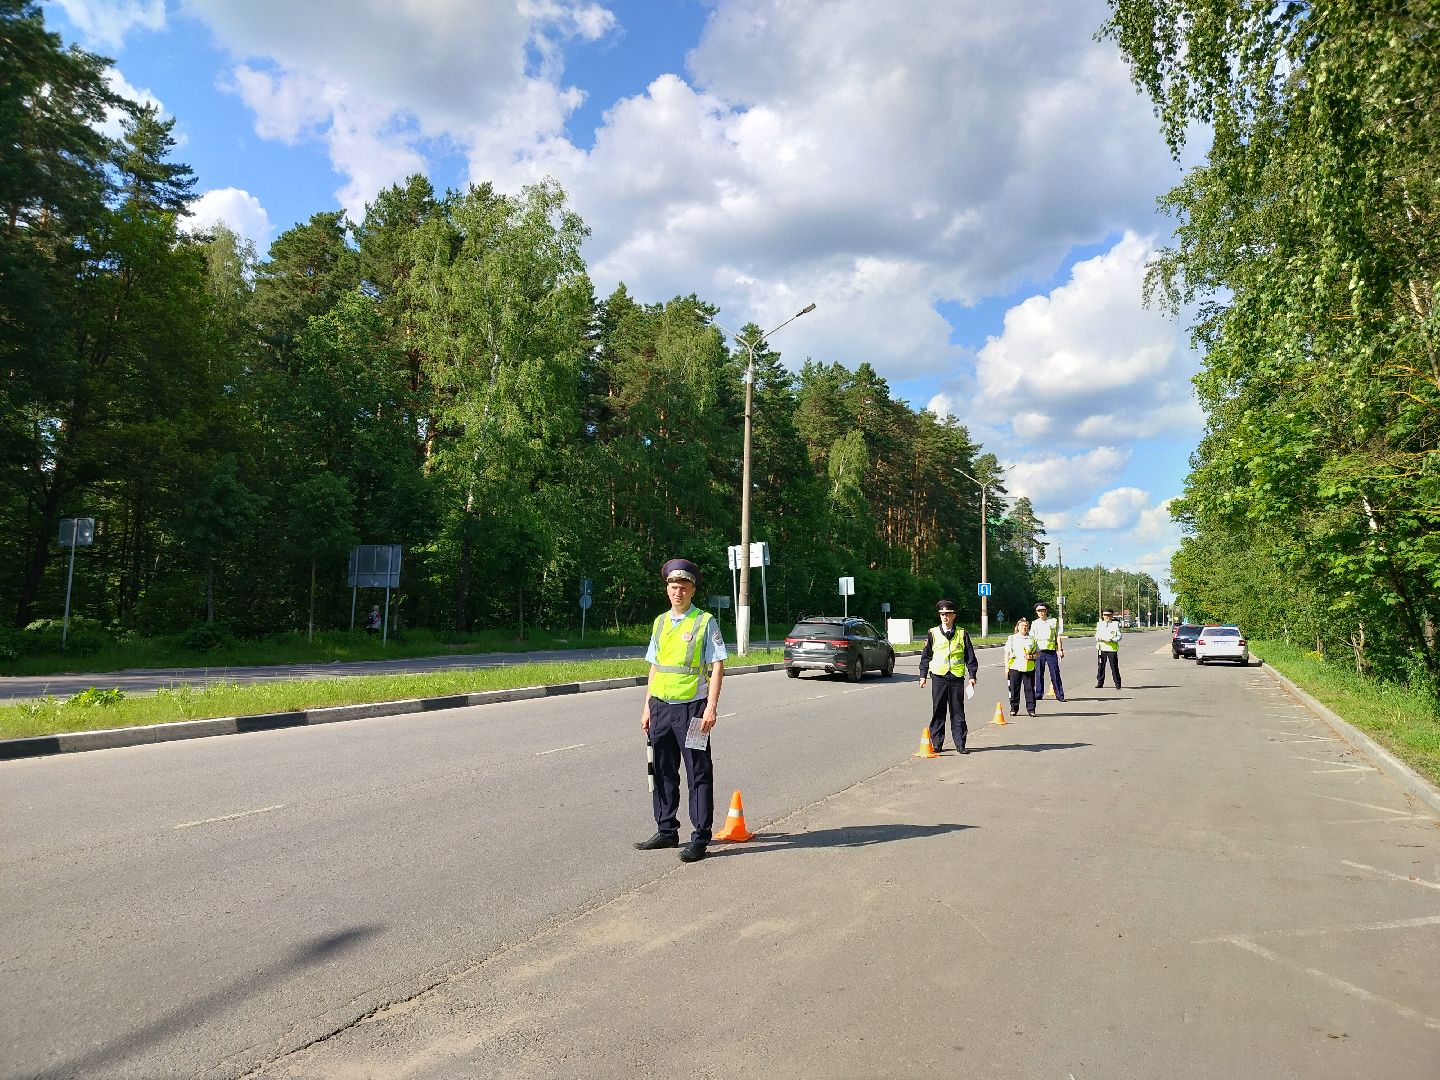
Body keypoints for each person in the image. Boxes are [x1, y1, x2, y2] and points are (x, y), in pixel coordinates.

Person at [635, 558, 727, 863]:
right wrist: (646, 705)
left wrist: (711, 708)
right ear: (667, 589)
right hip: (660, 707)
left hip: (692, 710)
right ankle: (666, 829)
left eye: (684, 587)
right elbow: (655, 666)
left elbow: (717, 667)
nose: (679, 591)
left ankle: (700, 836)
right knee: (662, 771)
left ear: (692, 590)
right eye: (674, 586)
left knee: (698, 772)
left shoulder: (704, 622)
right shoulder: (660, 622)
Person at [918, 599, 978, 754]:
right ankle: (937, 743)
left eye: (948, 614)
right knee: (938, 709)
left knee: (957, 711)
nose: (945, 616)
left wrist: (972, 674)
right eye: (942, 614)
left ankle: (960, 743)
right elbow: (926, 656)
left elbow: (969, 656)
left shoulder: (962, 633)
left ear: (954, 616)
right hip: (939, 676)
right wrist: (923, 675)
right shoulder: (933, 633)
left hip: (956, 676)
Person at [1004, 615, 1039, 717]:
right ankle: (1014, 708)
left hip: (1028, 668)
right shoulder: (1012, 638)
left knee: (1029, 689)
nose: (1024, 627)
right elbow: (1006, 653)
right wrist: (1006, 668)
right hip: (1014, 667)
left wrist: (1032, 656)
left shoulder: (1032, 639)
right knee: (1014, 689)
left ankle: (1031, 709)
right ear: (1018, 627)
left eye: (1026, 626)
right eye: (1022, 625)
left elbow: (1038, 653)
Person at [1031, 602, 1065, 702]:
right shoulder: (1035, 623)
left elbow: (1057, 636)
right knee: (1038, 673)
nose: (1041, 613)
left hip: (1051, 651)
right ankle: (1038, 694)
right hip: (1038, 651)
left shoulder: (1053, 621)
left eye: (1043, 610)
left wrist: (1060, 649)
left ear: (1046, 611)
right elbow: (1032, 638)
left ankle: (1059, 694)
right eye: (1038, 611)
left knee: (1055, 673)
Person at [1095, 607, 1123, 688]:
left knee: (1114, 667)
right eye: (1105, 615)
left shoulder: (1115, 624)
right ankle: (1100, 682)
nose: (1106, 617)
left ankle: (1117, 683)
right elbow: (1097, 636)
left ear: (1112, 616)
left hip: (1112, 649)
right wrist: (1102, 639)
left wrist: (1113, 640)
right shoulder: (1100, 624)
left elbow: (1119, 636)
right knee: (1101, 667)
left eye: (1108, 615)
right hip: (1102, 648)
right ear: (1102, 615)